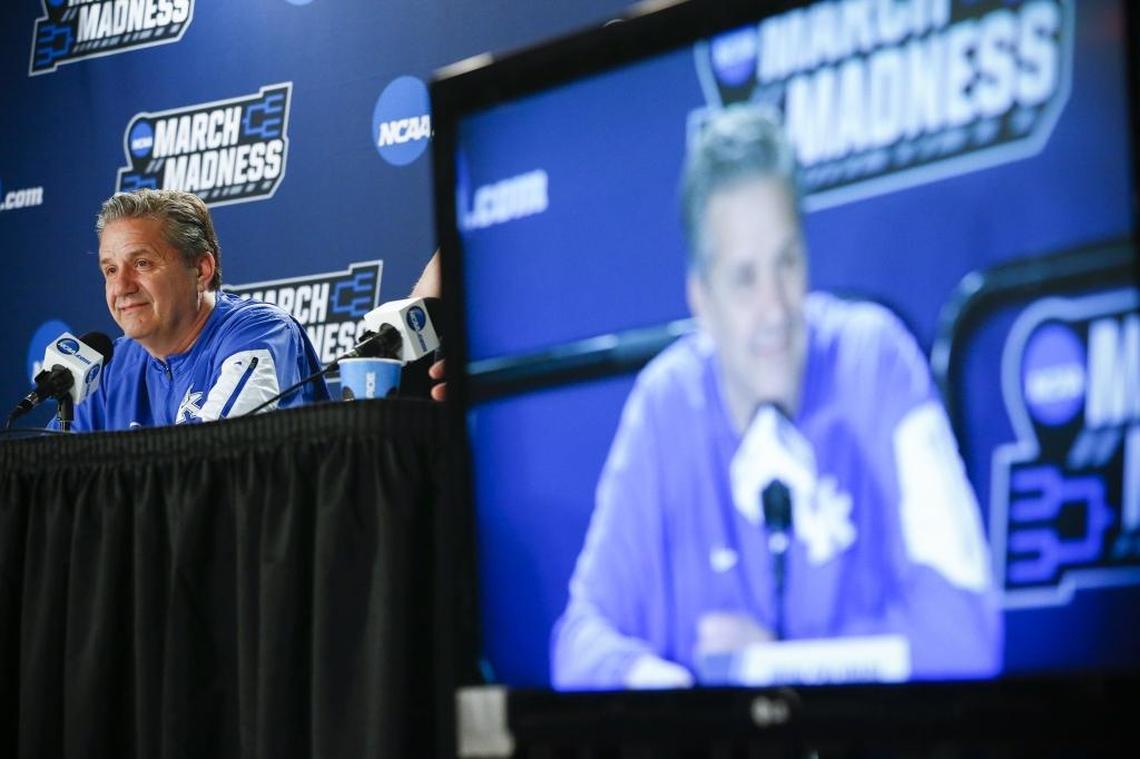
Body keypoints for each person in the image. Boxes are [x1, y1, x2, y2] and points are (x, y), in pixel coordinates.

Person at [550, 105, 1001, 689]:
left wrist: (780, 665)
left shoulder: (876, 360)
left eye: (787, 262)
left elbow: (969, 637)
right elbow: (580, 642)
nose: (777, 309)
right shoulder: (666, 403)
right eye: (744, 278)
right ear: (702, 301)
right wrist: (667, 694)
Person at [67, 189, 330, 431]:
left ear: (201, 270)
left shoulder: (262, 332)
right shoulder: (113, 367)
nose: (122, 286)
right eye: (111, 270)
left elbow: (209, 458)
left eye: (142, 263)